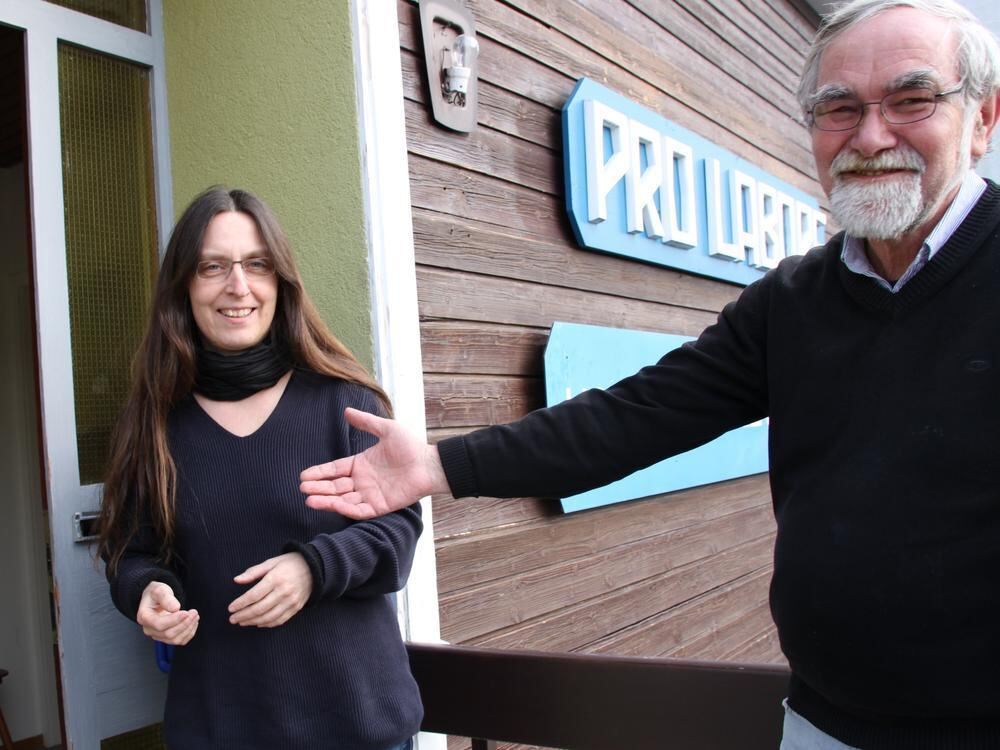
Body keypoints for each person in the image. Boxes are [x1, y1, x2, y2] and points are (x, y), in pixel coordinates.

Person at [299, 1, 1000, 747]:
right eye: (840, 107)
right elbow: (633, 418)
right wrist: (437, 466)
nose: (870, 135)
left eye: (912, 99)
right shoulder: (794, 302)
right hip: (823, 723)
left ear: (984, 118)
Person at [97, 187, 422, 750]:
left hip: (357, 725)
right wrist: (146, 589)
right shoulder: (153, 423)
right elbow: (132, 552)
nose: (238, 286)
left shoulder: (343, 402)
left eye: (257, 265)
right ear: (184, 286)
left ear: (281, 282)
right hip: (221, 726)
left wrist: (314, 569)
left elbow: (398, 536)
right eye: (212, 267)